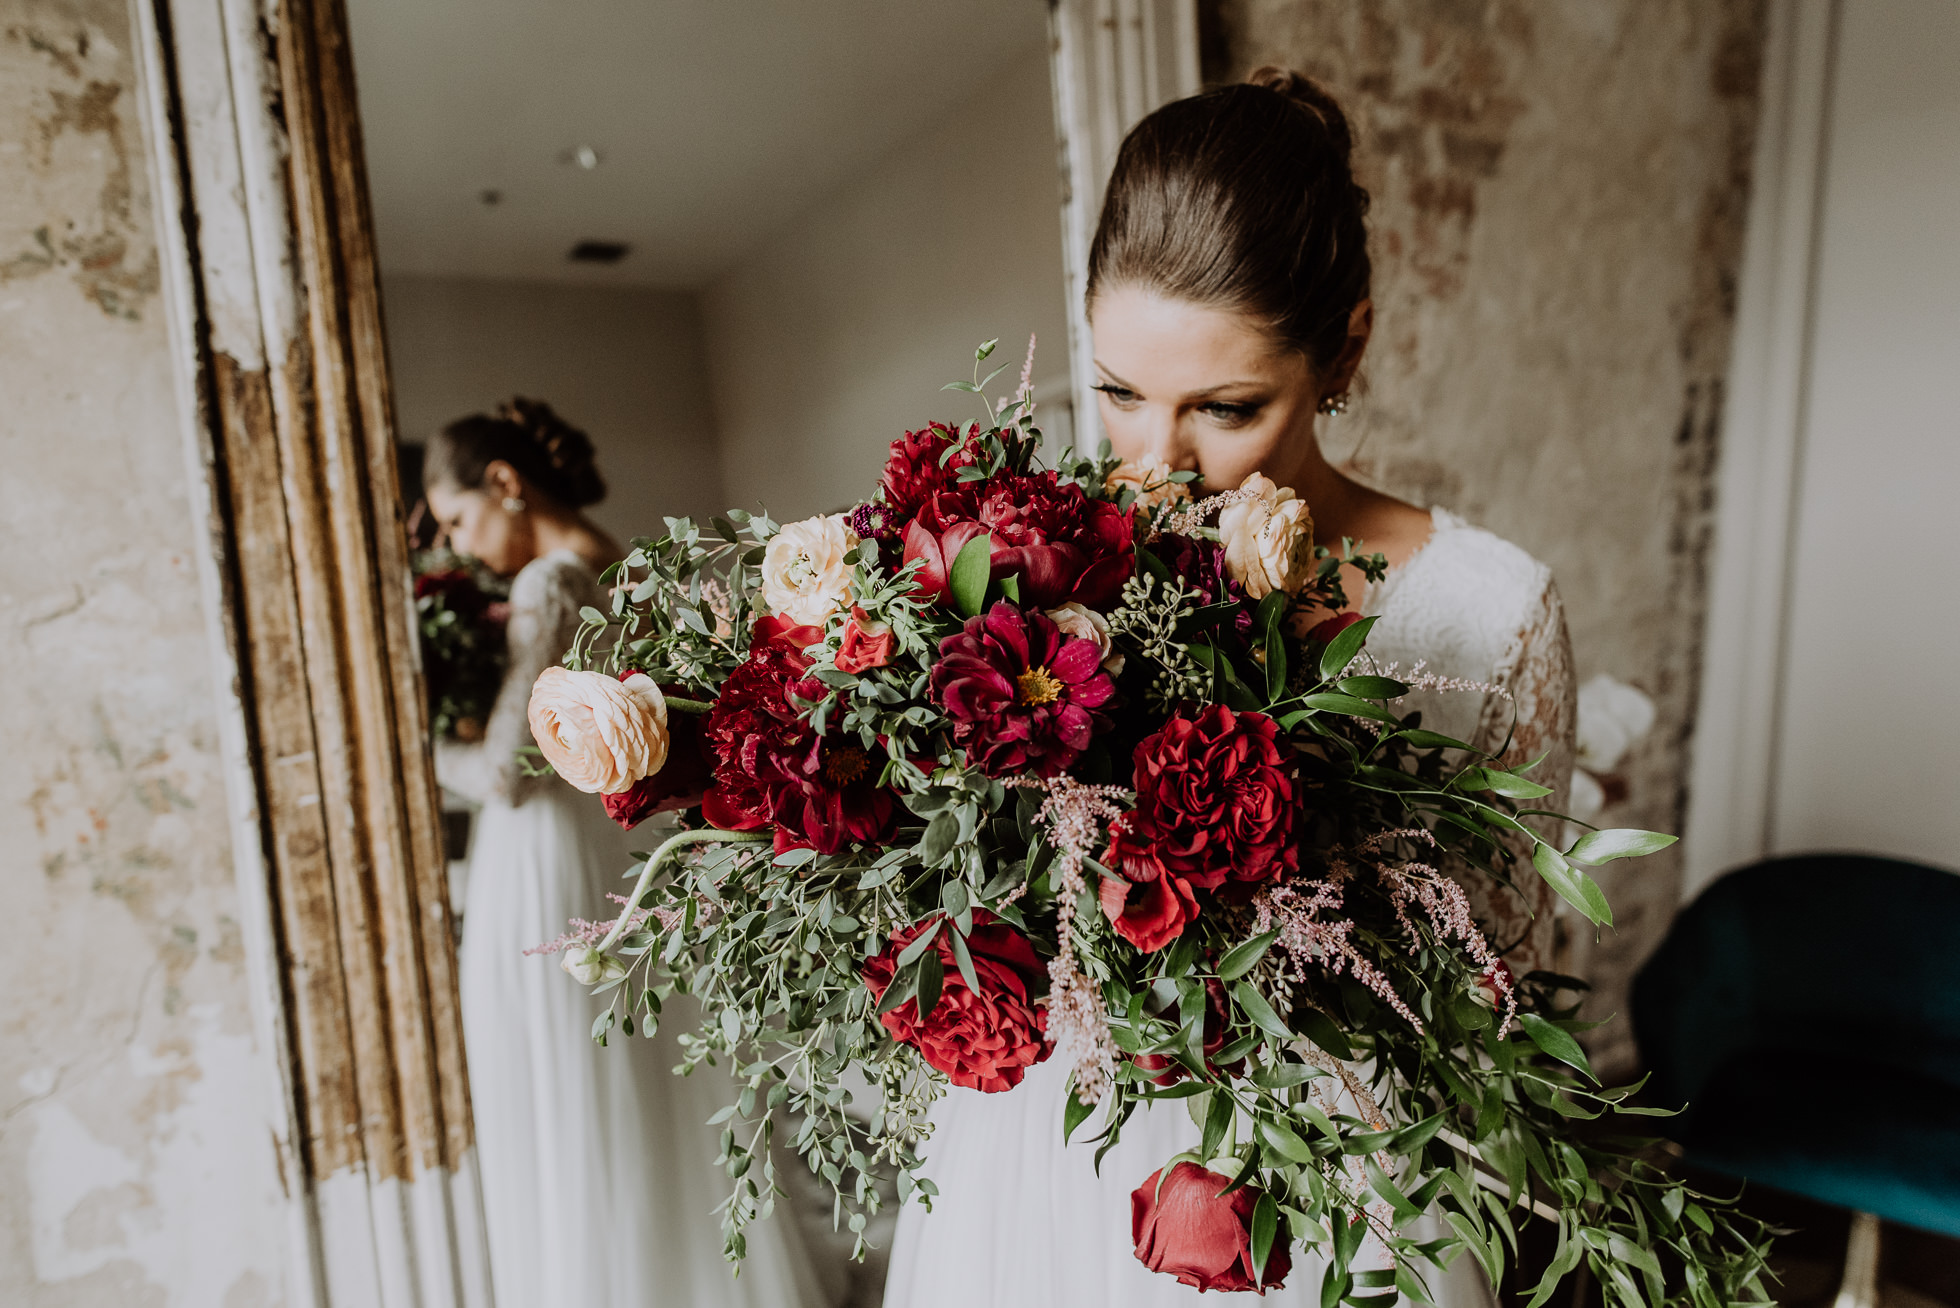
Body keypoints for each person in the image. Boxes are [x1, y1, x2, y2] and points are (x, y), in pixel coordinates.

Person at [882, 68, 1575, 1308]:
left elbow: (1496, 985)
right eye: (1118, 392)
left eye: (1227, 407)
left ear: (1344, 346)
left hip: (1342, 1193)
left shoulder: (1492, 610)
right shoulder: (1022, 576)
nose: (1156, 464)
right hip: (1059, 1168)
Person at [424, 399, 828, 1308]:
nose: (457, 546)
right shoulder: (629, 563)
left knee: (568, 1083)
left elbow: (507, 772)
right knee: (641, 1073)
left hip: (547, 855)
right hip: (627, 840)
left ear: (504, 483)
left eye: (457, 520)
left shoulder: (546, 583)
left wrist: (419, 746)